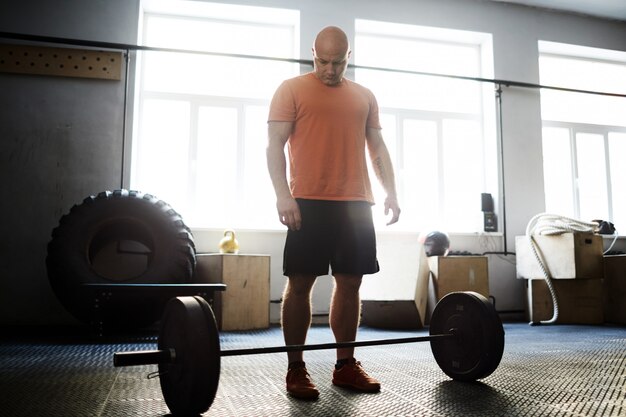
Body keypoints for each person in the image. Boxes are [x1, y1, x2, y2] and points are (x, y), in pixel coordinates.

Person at [266, 26, 401, 400]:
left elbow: (377, 147)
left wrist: (391, 192)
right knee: (300, 283)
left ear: (348, 57)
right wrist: (282, 195)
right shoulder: (291, 89)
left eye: (338, 62)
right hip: (307, 201)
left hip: (356, 203)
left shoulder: (364, 96)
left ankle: (345, 366)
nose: (329, 69)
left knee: (351, 282)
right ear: (313, 53)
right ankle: (296, 368)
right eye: (323, 61)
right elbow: (274, 145)